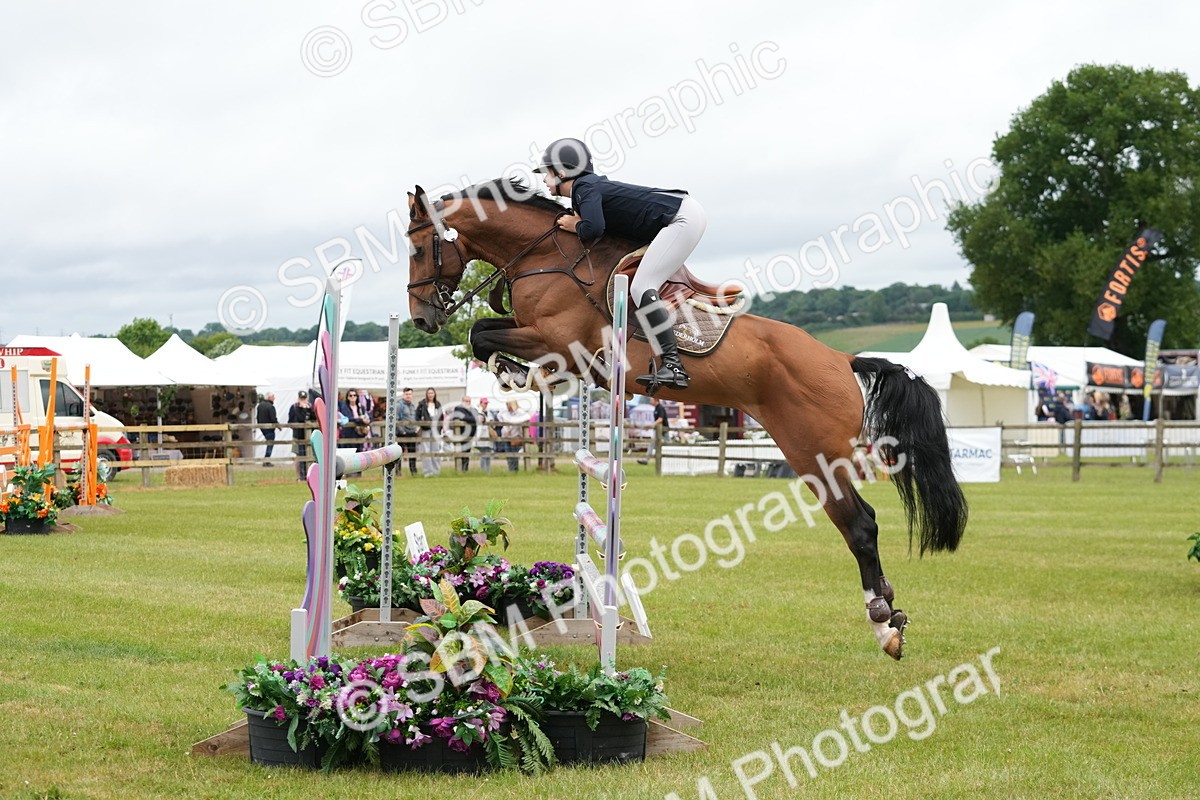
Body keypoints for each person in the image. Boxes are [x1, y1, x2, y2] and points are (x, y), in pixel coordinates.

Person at [535, 136, 704, 392]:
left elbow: (593, 229)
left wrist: (575, 226)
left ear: (561, 172)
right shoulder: (586, 189)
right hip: (680, 215)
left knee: (642, 286)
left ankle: (673, 365)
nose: (544, 181)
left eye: (546, 173)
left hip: (681, 219)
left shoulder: (584, 188)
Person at [496, 400, 531, 472]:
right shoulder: (505, 412)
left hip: (515, 437)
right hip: (506, 437)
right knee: (509, 454)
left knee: (514, 455)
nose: (508, 406)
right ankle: (511, 470)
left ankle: (515, 469)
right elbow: (499, 416)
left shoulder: (520, 412)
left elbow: (527, 417)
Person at [415, 387, 442, 477]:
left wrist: (439, 428)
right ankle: (427, 472)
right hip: (426, 430)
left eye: (432, 393)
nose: (430, 395)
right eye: (429, 393)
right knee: (426, 451)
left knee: (436, 450)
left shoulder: (438, 404)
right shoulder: (422, 405)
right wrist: (422, 425)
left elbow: (441, 417)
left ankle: (436, 472)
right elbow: (417, 417)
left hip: (435, 430)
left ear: (434, 394)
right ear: (426, 394)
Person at [287, 390, 314, 481]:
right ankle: (300, 476)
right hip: (298, 436)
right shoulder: (294, 407)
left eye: (304, 398)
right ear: (298, 398)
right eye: (301, 398)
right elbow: (297, 419)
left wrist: (308, 409)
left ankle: (309, 475)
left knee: (309, 456)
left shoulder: (310, 407)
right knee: (299, 456)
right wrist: (302, 409)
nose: (303, 400)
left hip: (309, 436)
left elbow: (313, 418)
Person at [394, 387, 419, 477]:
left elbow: (414, 418)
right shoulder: (399, 405)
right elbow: (396, 419)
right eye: (406, 394)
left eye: (410, 394)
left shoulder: (412, 405)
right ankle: (398, 472)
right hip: (402, 433)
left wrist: (416, 428)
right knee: (399, 453)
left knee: (413, 452)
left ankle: (413, 472)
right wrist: (402, 431)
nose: (408, 396)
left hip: (412, 432)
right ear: (403, 395)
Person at [638, 397, 670, 464]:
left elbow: (660, 419)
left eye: (651, 400)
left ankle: (668, 460)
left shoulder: (660, 408)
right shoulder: (656, 408)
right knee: (652, 444)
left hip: (664, 431)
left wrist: (652, 426)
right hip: (658, 431)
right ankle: (646, 460)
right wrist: (650, 427)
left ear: (656, 400)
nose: (650, 401)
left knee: (668, 445)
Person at [255, 392, 278, 463]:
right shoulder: (270, 407)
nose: (274, 398)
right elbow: (273, 418)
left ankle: (266, 459)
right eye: (273, 396)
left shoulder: (260, 406)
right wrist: (278, 425)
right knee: (270, 443)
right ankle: (267, 459)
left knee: (269, 442)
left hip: (262, 427)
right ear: (269, 397)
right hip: (269, 428)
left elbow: (258, 417)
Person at [474, 398, 495, 473]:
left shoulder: (489, 412)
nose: (486, 405)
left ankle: (487, 470)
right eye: (485, 403)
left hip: (488, 435)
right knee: (483, 453)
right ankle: (484, 470)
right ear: (480, 403)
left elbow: (492, 421)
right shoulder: (477, 411)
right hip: (481, 435)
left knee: (488, 453)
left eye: (487, 403)